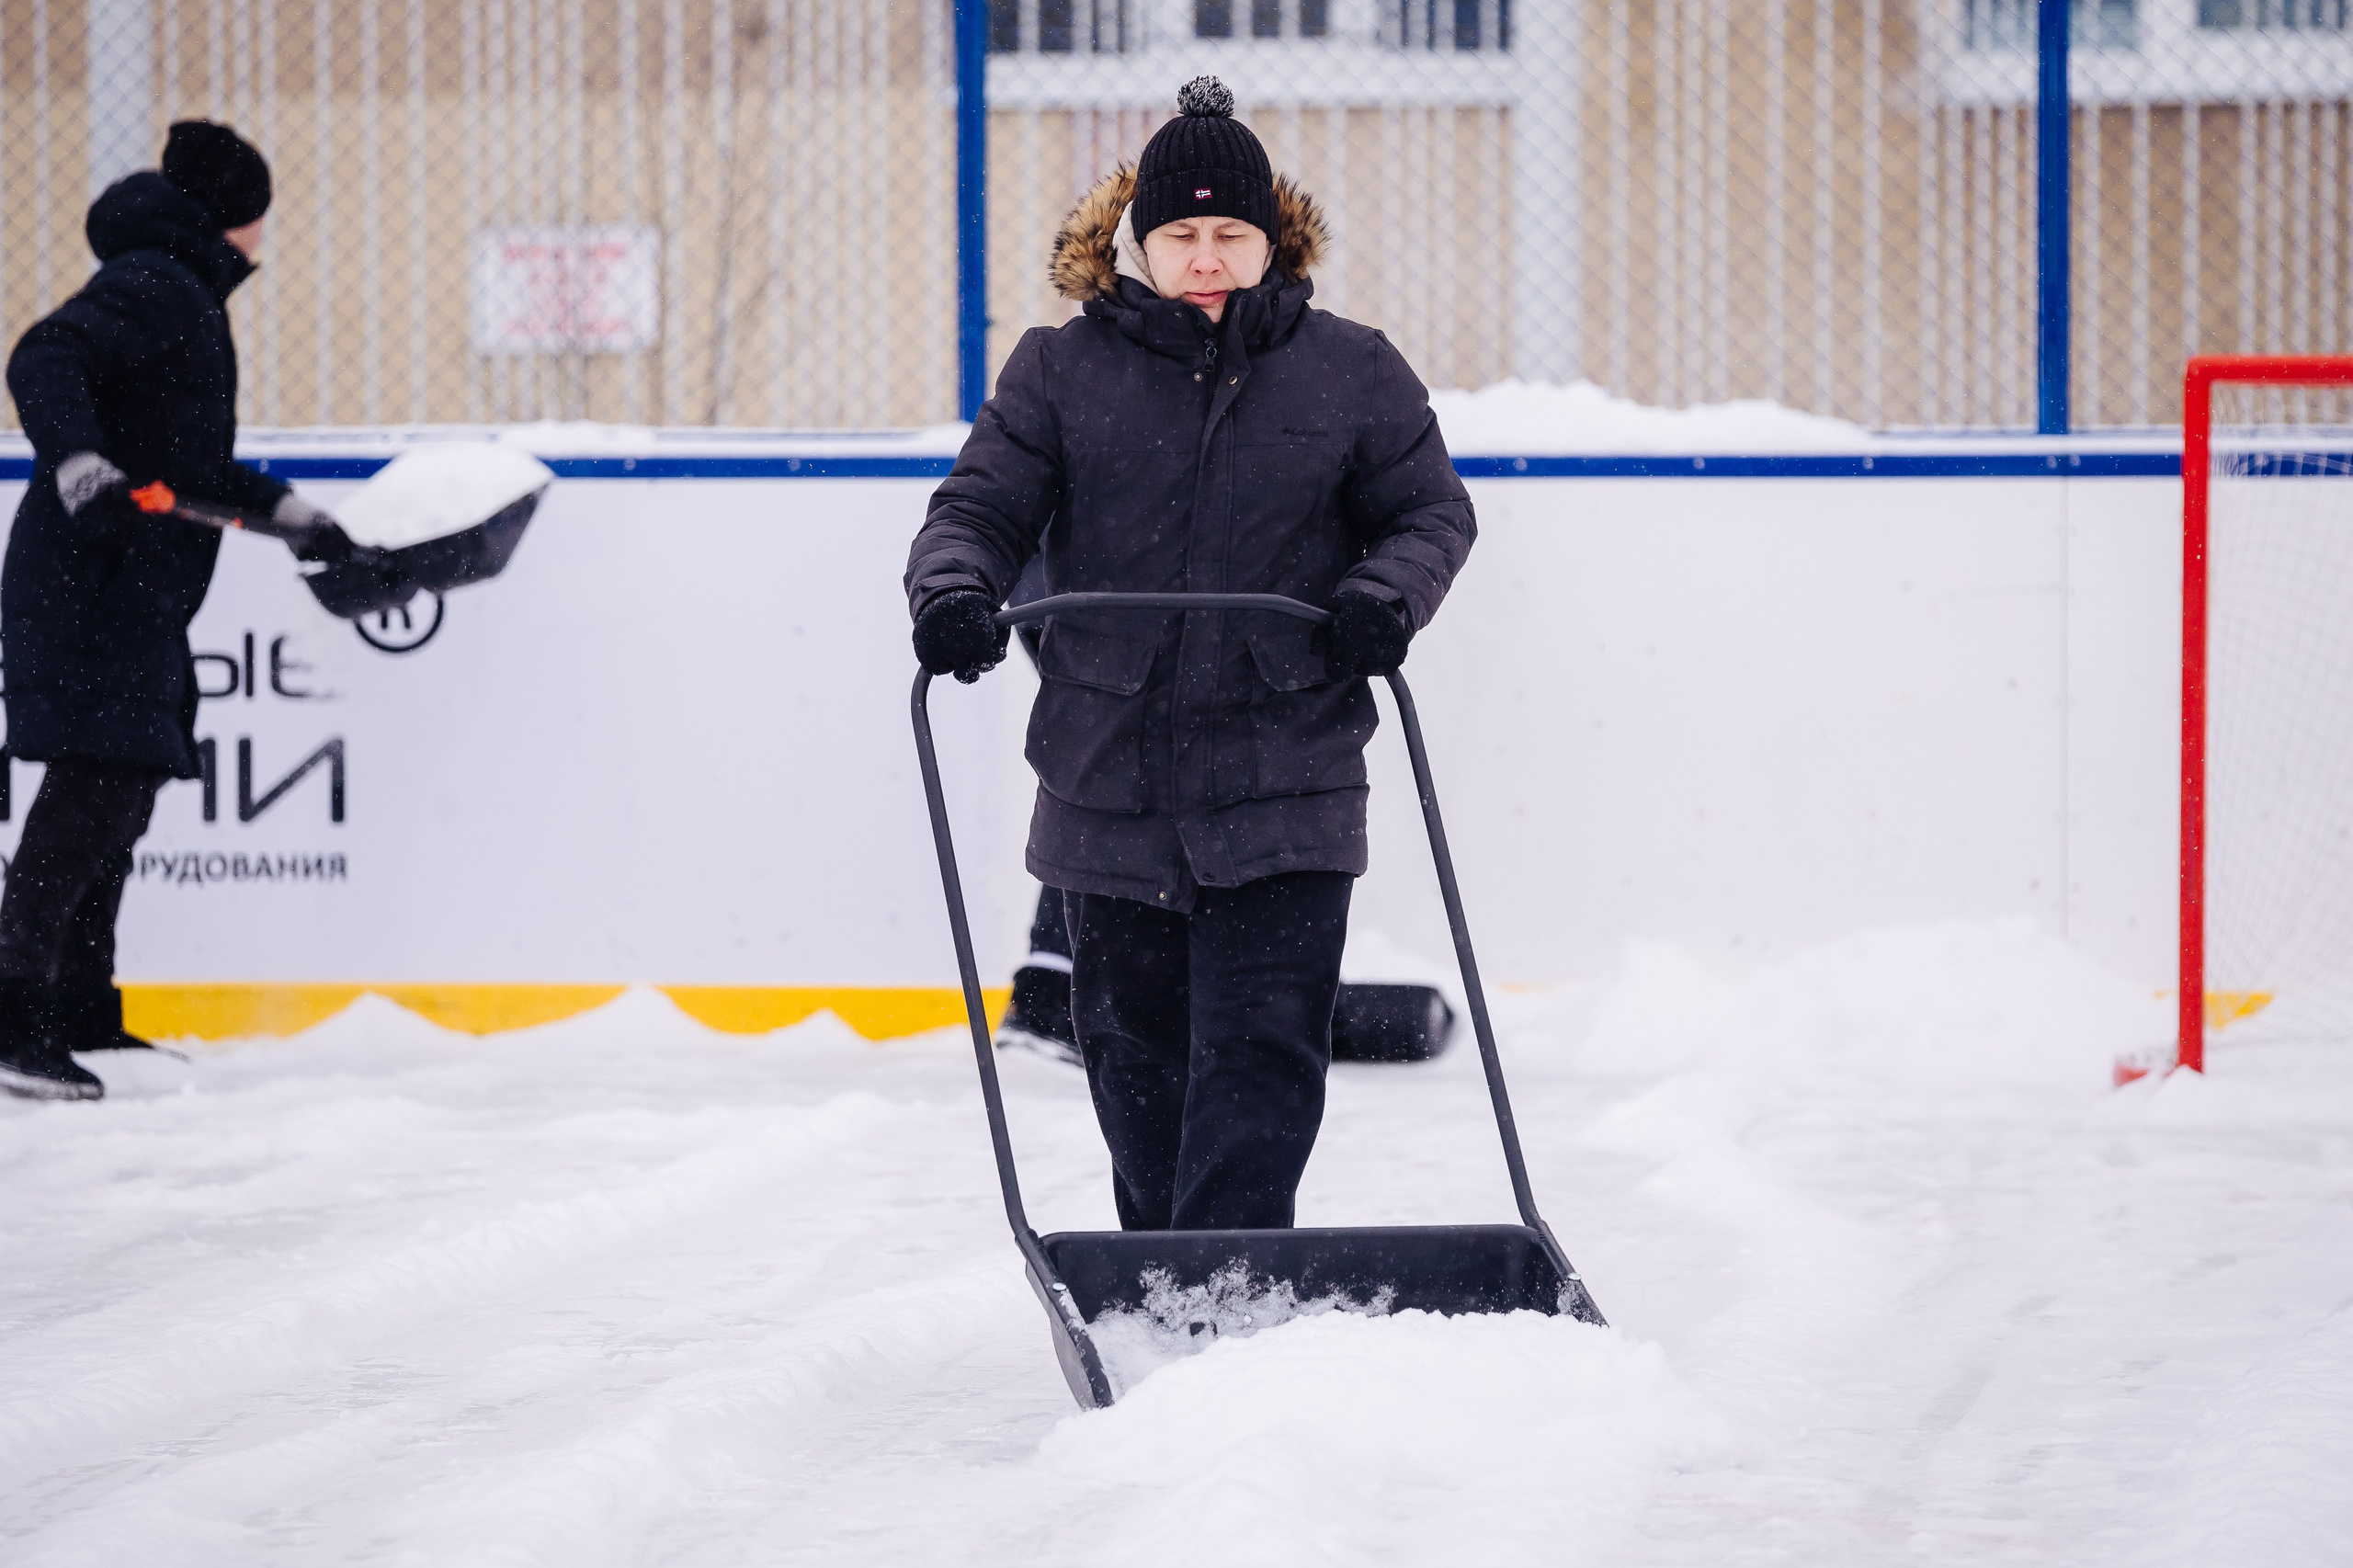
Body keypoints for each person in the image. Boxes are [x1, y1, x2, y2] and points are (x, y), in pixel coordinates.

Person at [906, 78, 1475, 1231]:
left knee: (1263, 1057)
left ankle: (1230, 1288)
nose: (1206, 256)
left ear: (1271, 240)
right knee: (1135, 1062)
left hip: (1291, 767)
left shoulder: (1352, 369)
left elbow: (1430, 514)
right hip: (1107, 773)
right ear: (1138, 241)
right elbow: (976, 512)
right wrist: (954, 592)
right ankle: (1157, 1284)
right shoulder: (1058, 372)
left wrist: (1382, 597)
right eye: (1181, 234)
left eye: (1230, 233)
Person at [0, 121, 349, 1101]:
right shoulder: (158, 283)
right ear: (226, 217)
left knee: (126, 791)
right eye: (255, 219)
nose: (259, 239)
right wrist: (80, 465)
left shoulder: (185, 297)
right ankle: (15, 1017)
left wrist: (295, 518)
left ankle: (80, 1013)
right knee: (91, 796)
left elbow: (192, 469)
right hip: (88, 580)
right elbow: (42, 355)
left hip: (132, 590)